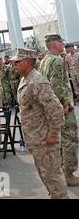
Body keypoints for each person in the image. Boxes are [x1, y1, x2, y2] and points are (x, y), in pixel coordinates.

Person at [11, 48, 69, 198]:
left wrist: (54, 134)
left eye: (17, 61)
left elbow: (56, 110)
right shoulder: (25, 79)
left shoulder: (38, 81)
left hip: (45, 139)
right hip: (36, 139)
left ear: (28, 62)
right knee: (46, 175)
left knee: (53, 176)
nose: (14, 64)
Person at [40, 34, 79, 186]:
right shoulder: (56, 60)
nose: (64, 45)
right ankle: (68, 174)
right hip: (63, 108)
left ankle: (61, 173)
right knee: (69, 140)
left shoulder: (44, 60)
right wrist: (62, 105)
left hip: (53, 107)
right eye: (61, 43)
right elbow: (56, 86)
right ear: (55, 44)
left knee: (60, 141)